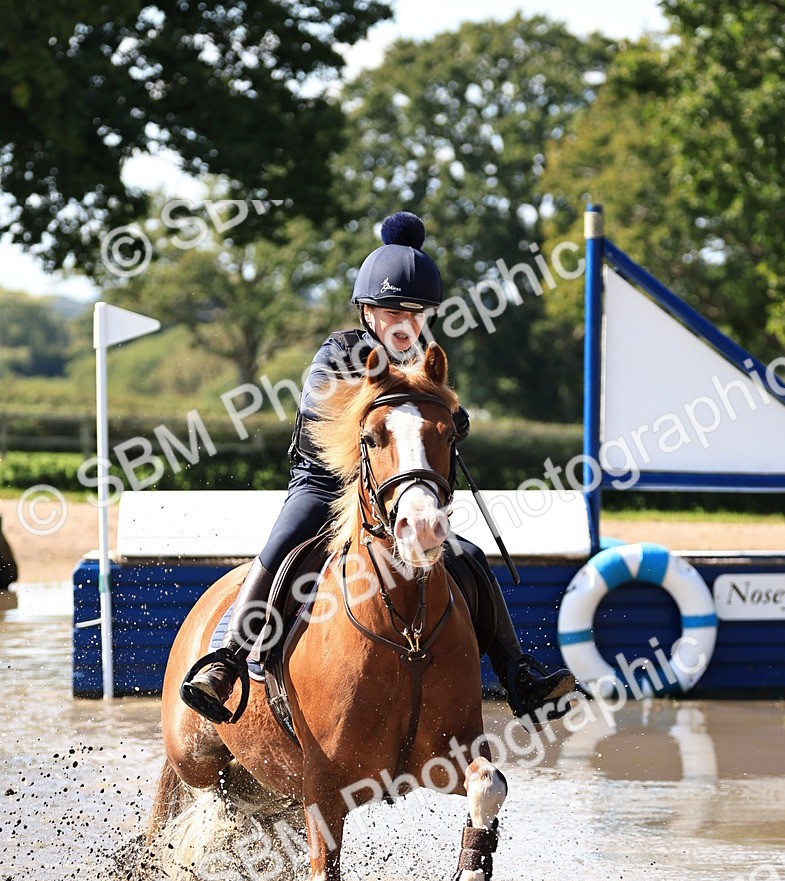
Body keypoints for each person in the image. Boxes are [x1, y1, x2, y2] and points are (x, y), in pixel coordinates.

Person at [180, 212, 574, 725]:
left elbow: (448, 423)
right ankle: (230, 658)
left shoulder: (423, 365)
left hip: (394, 496)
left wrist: (441, 414)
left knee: (470, 558)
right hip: (325, 486)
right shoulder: (336, 354)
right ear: (367, 311)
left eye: (415, 312)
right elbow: (329, 419)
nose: (403, 322)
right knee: (282, 544)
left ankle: (519, 674)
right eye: (391, 311)